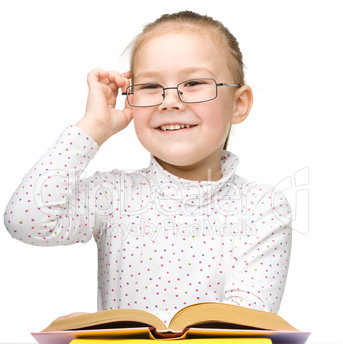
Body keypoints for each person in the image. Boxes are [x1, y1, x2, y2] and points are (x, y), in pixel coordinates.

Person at [4, 11, 291, 325]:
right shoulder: (113, 194)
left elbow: (245, 321)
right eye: (151, 86)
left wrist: (116, 325)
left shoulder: (263, 208)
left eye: (194, 83)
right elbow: (25, 220)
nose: (169, 102)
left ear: (238, 104)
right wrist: (94, 127)